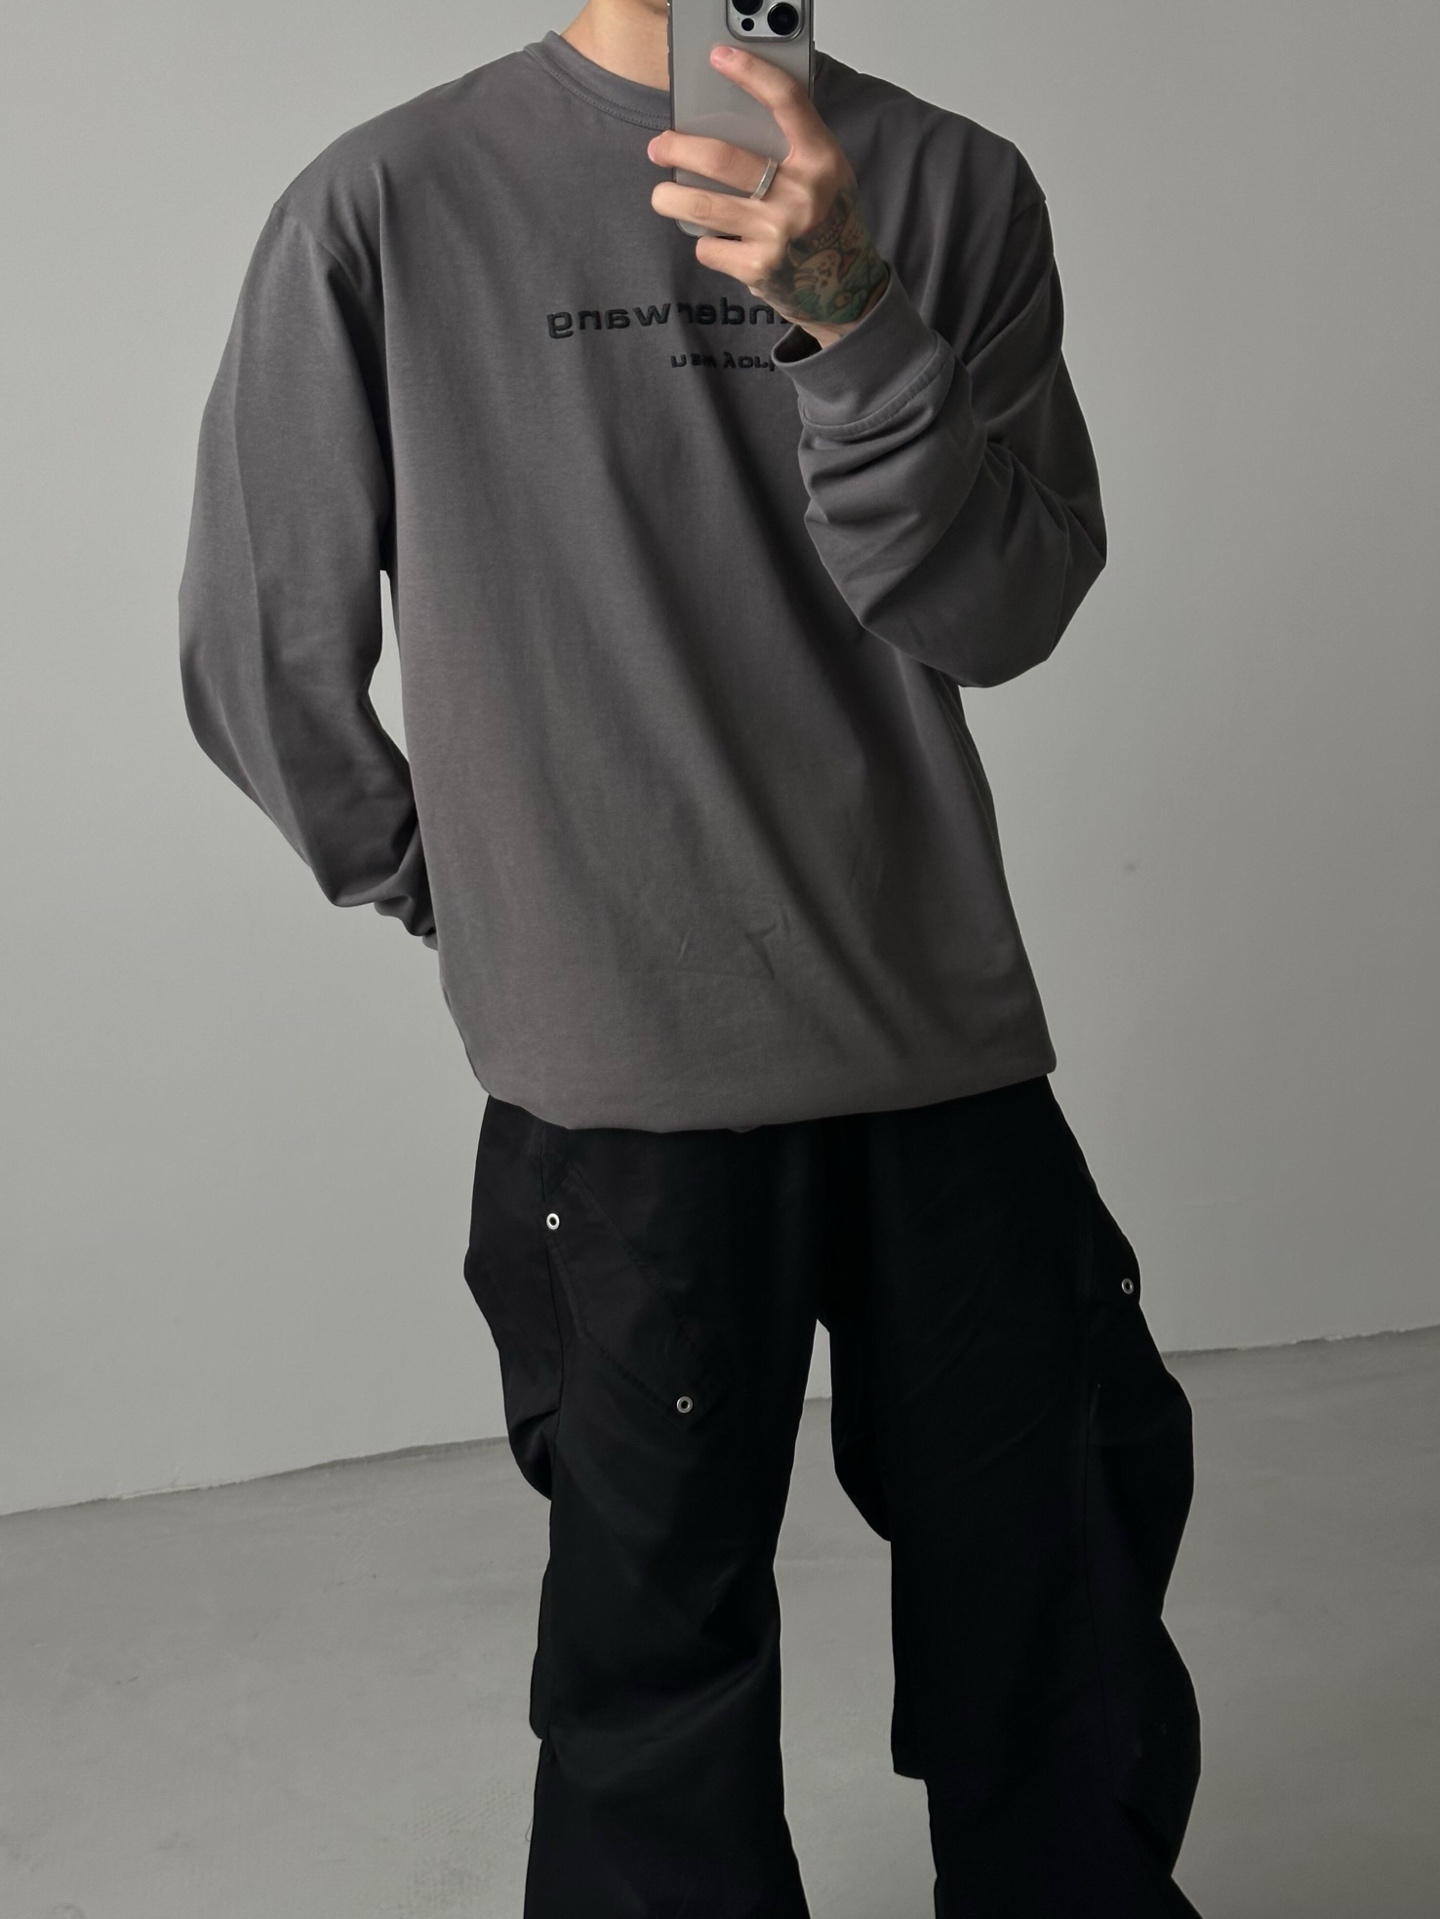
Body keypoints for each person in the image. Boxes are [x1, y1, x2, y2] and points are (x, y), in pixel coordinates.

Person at [177, 0, 1206, 1911]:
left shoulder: (954, 185)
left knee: (1055, 1592)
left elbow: (1003, 612)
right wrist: (462, 886)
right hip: (619, 1092)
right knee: (658, 1663)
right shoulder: (388, 202)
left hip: (936, 1046)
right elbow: (261, 653)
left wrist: (855, 318)